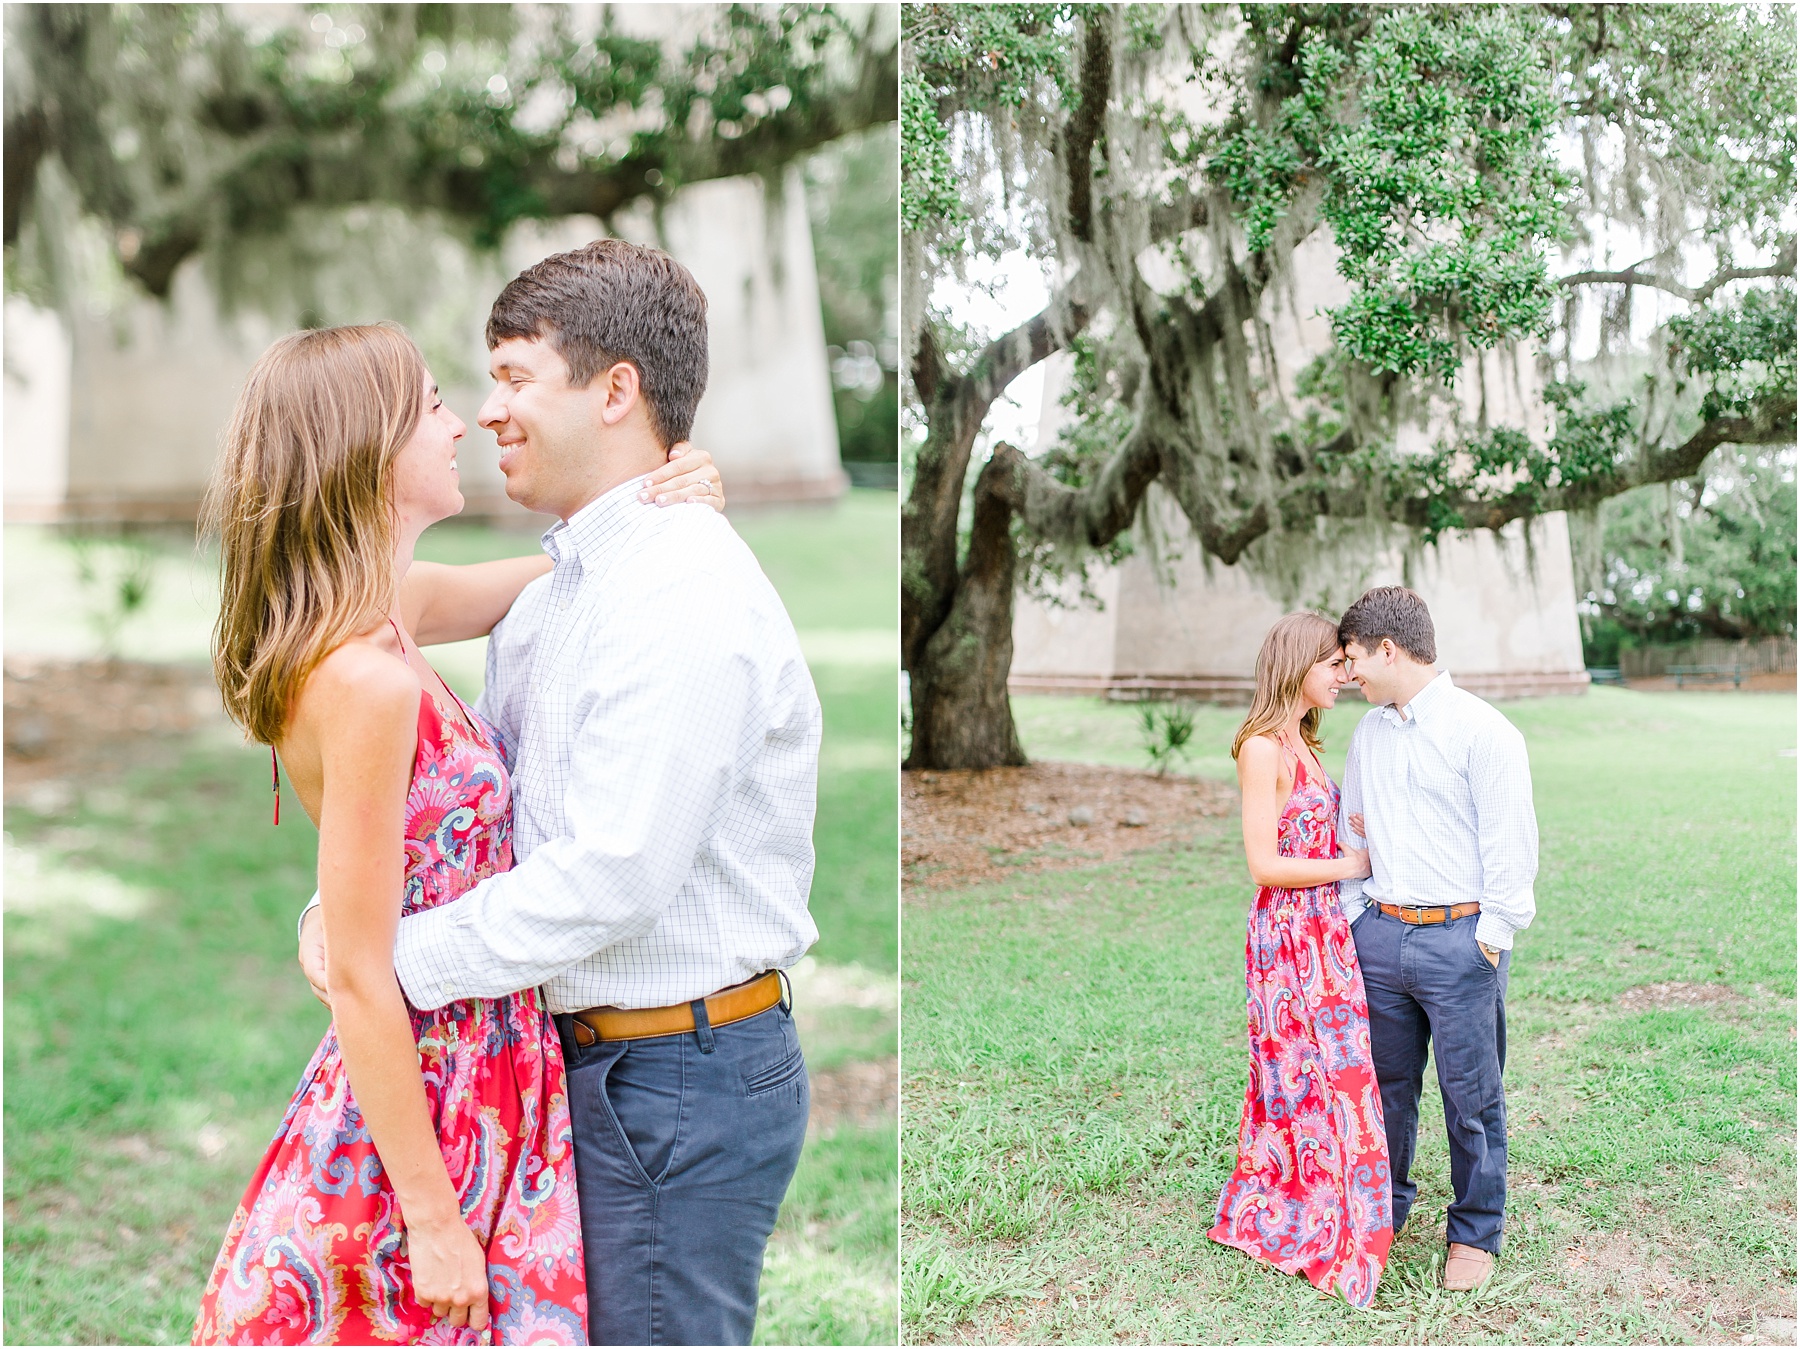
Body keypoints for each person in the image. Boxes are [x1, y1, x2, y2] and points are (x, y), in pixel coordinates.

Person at [297, 239, 822, 1347]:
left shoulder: (683, 592)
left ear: (616, 388)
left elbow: (611, 873)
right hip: (574, 1067)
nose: (488, 411)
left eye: (515, 377)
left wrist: (386, 959)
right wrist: (343, 911)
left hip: (671, 1080)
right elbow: (485, 811)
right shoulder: (563, 585)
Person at [190, 323, 726, 1346]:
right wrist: (434, 1220)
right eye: (433, 405)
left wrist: (660, 500)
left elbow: (561, 575)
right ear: (368, 448)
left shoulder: (389, 610)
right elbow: (357, 971)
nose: (461, 423)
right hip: (429, 1082)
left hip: (495, 1064)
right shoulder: (368, 680)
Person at [1336, 585, 1538, 1293]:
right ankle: (1381, 1213)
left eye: (1353, 655)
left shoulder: (1484, 731)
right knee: (1387, 1091)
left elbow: (1511, 844)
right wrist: (1361, 915)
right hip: (1383, 938)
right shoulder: (1368, 734)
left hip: (1462, 942)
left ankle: (1475, 1231)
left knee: (1471, 1094)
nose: (1348, 669)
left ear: (1388, 648)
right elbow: (1350, 827)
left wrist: (1490, 936)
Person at [1208, 612, 1392, 1308]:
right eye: (1332, 664)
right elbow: (1262, 862)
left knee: (1336, 1071)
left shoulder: (1304, 742)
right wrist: (1348, 863)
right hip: (1289, 937)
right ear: (1297, 666)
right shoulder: (1262, 747)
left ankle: (1338, 1202)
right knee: (1298, 1074)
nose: (1344, 675)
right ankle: (1300, 1212)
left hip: (1326, 931)